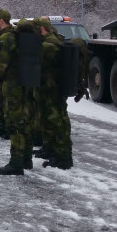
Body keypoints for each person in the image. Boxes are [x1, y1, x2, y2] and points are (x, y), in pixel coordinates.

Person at [0, 9, 33, 175]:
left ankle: (16, 163)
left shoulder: (6, 38)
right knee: (25, 122)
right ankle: (26, 159)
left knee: (15, 124)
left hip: (12, 86)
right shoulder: (17, 36)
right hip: (25, 83)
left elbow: (1, 65)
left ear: (0, 21)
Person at [36, 19, 73, 169]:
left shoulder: (49, 45)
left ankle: (63, 157)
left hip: (53, 89)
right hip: (48, 88)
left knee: (57, 121)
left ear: (42, 29)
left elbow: (42, 64)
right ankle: (51, 149)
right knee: (48, 119)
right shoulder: (48, 41)